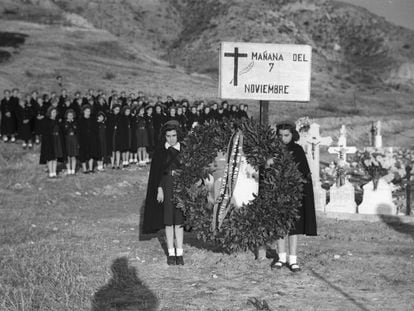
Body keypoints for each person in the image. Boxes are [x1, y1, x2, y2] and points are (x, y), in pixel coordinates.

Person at [271, 121, 317, 272]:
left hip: (294, 194)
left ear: (292, 135)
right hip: (278, 193)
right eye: (280, 135)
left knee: (294, 228)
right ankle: (281, 257)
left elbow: (303, 172)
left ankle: (293, 259)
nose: (283, 138)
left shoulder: (297, 150)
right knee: (280, 226)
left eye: (286, 135)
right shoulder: (274, 150)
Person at [142, 120, 185, 266]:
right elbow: (157, 174)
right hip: (165, 186)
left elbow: (189, 171)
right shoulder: (161, 151)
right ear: (164, 137)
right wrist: (159, 189)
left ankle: (180, 252)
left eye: (174, 135)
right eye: (168, 136)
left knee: (179, 221)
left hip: (180, 186)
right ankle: (171, 253)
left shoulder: (184, 149)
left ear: (178, 135)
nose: (171, 139)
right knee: (168, 221)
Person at [40, 106, 63, 178]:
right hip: (49, 140)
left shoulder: (57, 121)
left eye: (55, 112)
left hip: (56, 139)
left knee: (55, 157)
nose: (54, 114)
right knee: (50, 157)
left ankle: (54, 172)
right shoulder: (46, 121)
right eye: (53, 112)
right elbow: (45, 132)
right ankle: (51, 172)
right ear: (50, 113)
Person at [78, 105, 98, 173]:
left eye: (89, 111)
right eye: (86, 111)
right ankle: (84, 169)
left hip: (92, 139)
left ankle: (90, 168)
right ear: (83, 111)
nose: (88, 112)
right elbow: (79, 131)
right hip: (83, 139)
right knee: (83, 154)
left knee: (91, 153)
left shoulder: (92, 120)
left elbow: (95, 130)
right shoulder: (80, 120)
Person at [62, 109, 79, 175]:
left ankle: (73, 170)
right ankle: (69, 169)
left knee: (73, 156)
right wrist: (69, 123)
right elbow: (64, 131)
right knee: (68, 156)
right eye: (69, 115)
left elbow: (77, 131)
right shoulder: (64, 123)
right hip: (67, 139)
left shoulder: (75, 122)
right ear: (66, 116)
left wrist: (72, 123)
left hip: (74, 139)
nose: (70, 116)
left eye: (71, 115)